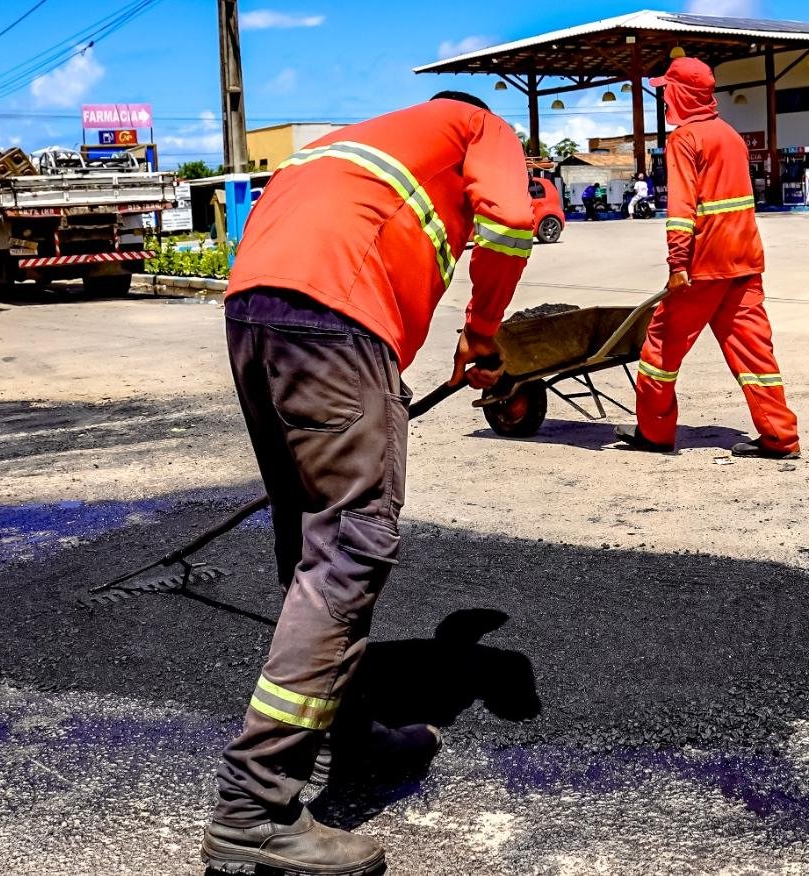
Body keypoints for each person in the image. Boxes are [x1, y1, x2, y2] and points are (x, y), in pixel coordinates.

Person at [204, 91, 534, 875]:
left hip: (254, 316)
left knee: (310, 542)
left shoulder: (361, 143)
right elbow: (512, 223)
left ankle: (349, 739)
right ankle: (254, 808)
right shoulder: (479, 126)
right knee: (349, 552)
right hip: (334, 324)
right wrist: (483, 333)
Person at [614, 56, 800, 460]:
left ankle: (654, 432)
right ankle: (780, 437)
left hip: (704, 265)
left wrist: (677, 264)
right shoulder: (731, 136)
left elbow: (682, 210)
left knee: (661, 346)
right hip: (744, 260)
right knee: (754, 351)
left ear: (682, 94)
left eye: (668, 91)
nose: (665, 99)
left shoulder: (685, 139)